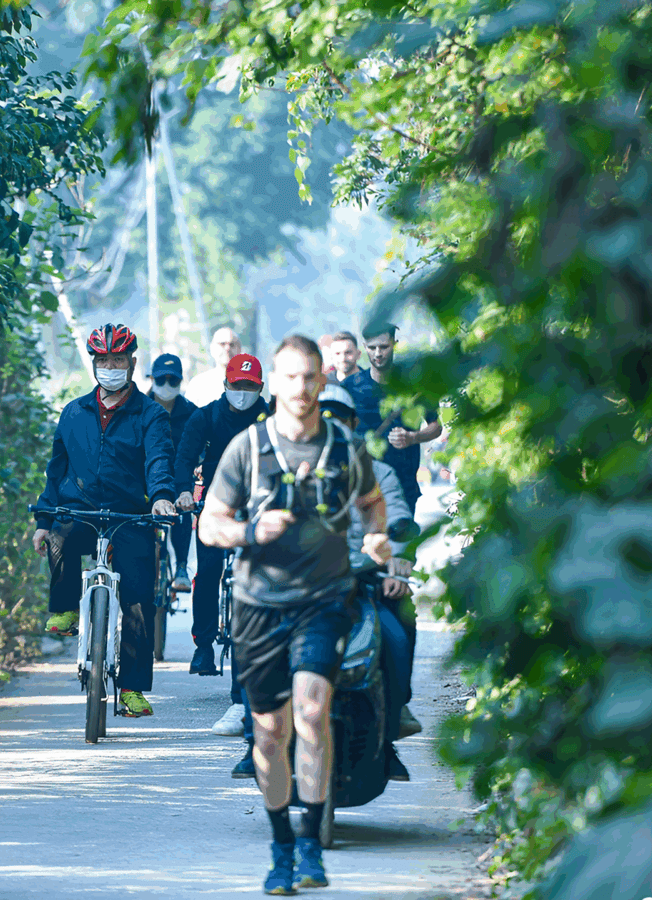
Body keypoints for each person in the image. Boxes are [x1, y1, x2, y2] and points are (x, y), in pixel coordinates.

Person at [198, 336, 412, 894]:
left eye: (309, 377)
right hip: (259, 605)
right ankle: (281, 846)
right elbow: (208, 524)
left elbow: (373, 504)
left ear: (321, 380)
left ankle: (313, 847)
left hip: (324, 601)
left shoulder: (345, 448)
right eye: (289, 377)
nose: (300, 388)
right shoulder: (247, 449)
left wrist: (380, 542)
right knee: (270, 734)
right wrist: (248, 531)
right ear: (274, 383)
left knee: (312, 712)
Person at [33, 324, 179, 718]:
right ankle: (64, 610)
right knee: (60, 538)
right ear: (94, 363)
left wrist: (162, 497)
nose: (110, 367)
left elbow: (159, 460)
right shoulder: (73, 412)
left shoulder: (150, 415)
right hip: (78, 510)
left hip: (130, 515)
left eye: (118, 360)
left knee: (137, 600)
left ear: (132, 363)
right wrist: (44, 520)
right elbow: (55, 470)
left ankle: (131, 689)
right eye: (103, 360)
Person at [175, 353, 267, 775]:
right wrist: (180, 492)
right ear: (226, 385)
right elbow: (183, 456)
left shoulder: (270, 417)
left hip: (260, 510)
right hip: (215, 507)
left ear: (260, 389)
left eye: (251, 388)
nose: (244, 395)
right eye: (238, 387)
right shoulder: (206, 418)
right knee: (208, 573)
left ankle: (245, 683)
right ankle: (204, 646)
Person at [320, 384, 423, 747]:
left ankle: (395, 715)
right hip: (306, 583)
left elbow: (397, 517)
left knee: (397, 629)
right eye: (323, 416)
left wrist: (397, 562)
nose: (333, 426)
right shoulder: (295, 470)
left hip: (367, 579)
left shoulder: (381, 473)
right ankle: (252, 725)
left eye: (340, 418)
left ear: (354, 422)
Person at [339, 323, 444, 508]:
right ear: (364, 348)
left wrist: (413, 437)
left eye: (384, 347)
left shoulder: (413, 385)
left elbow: (436, 426)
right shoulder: (349, 387)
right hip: (362, 488)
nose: (378, 353)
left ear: (394, 344)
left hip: (403, 487)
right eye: (372, 348)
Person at [149, 353, 199, 592]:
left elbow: (201, 447)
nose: (167, 386)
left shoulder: (192, 413)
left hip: (180, 475)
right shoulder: (137, 408)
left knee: (184, 503)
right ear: (151, 379)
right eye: (161, 380)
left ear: (180, 382)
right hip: (144, 477)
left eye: (173, 381)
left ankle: (181, 566)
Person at [185, 326, 243, 407]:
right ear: (212, 349)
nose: (227, 348)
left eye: (232, 344)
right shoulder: (198, 384)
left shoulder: (251, 384)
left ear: (240, 349)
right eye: (222, 344)